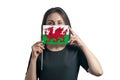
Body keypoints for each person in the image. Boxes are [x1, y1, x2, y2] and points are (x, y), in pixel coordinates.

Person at [25, 7, 103, 80]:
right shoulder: (39, 50)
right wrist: (33, 58)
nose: (55, 26)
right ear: (44, 26)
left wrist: (82, 45)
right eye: (50, 23)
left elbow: (98, 72)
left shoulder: (75, 50)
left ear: (67, 26)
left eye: (59, 23)